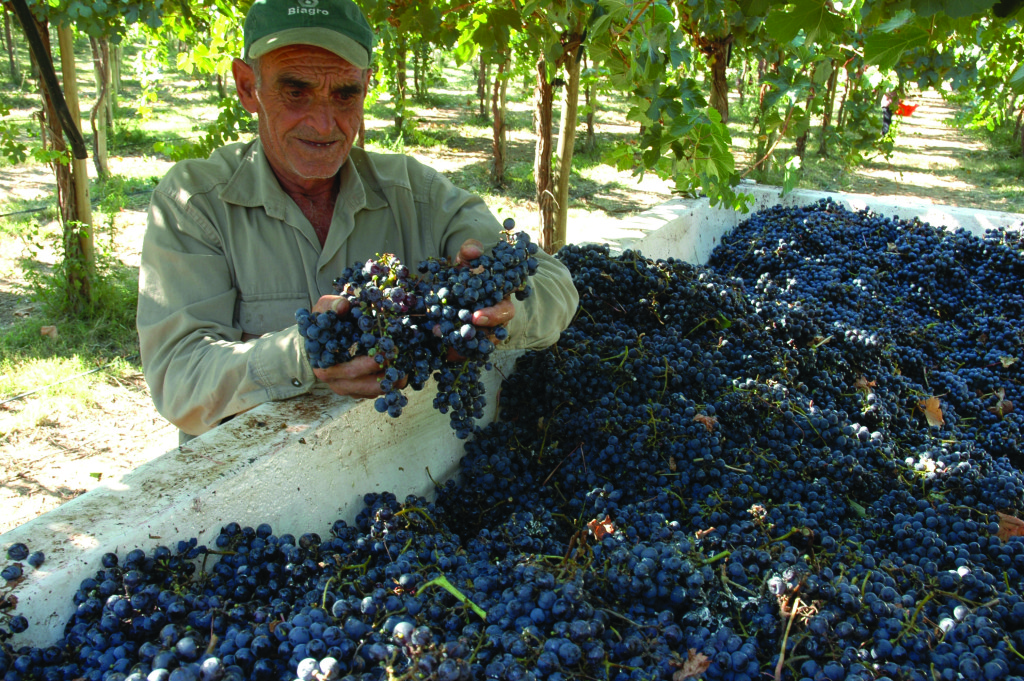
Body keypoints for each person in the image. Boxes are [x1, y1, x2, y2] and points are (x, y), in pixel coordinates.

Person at [137, 0, 579, 443]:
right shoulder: (195, 203)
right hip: (245, 490)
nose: (324, 122)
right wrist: (304, 353)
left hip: (391, 469)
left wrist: (504, 311)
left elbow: (556, 284)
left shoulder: (415, 193)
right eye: (296, 92)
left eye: (345, 94)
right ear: (248, 87)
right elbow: (180, 380)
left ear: (367, 86)